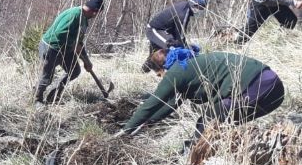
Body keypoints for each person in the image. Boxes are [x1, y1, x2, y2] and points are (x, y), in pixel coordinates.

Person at [119, 51, 284, 142]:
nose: (159, 77)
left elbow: (153, 102)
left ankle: (190, 161)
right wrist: (150, 122)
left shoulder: (176, 72)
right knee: (223, 124)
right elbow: (172, 103)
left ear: (161, 68)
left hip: (257, 85)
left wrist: (125, 131)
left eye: (158, 73)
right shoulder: (190, 63)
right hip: (275, 91)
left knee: (207, 122)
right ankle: (217, 159)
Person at [35, 0, 103, 104]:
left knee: (74, 71)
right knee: (46, 77)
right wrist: (74, 43)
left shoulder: (84, 19)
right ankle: (37, 100)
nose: (96, 16)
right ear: (94, 11)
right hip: (51, 47)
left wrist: (87, 61)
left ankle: (53, 95)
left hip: (66, 49)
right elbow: (59, 33)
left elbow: (79, 42)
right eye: (97, 13)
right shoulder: (74, 15)